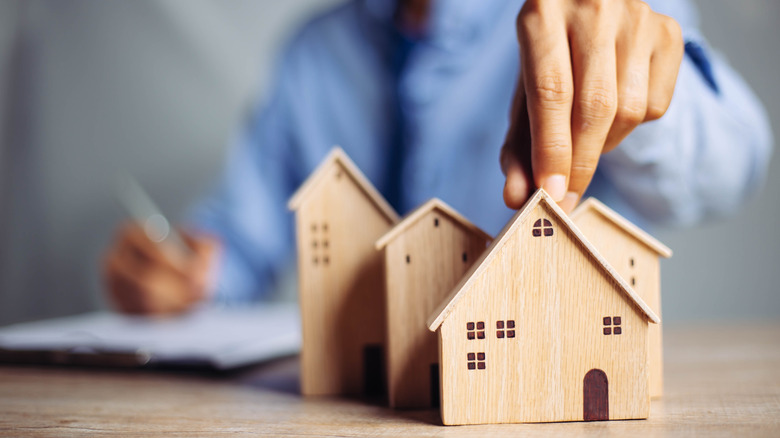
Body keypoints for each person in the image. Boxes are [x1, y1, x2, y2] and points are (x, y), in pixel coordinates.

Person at [103, 0, 772, 314]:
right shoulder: (312, 56)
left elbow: (735, 163)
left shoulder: (595, 12)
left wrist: (642, 102)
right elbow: (239, 245)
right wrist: (190, 273)